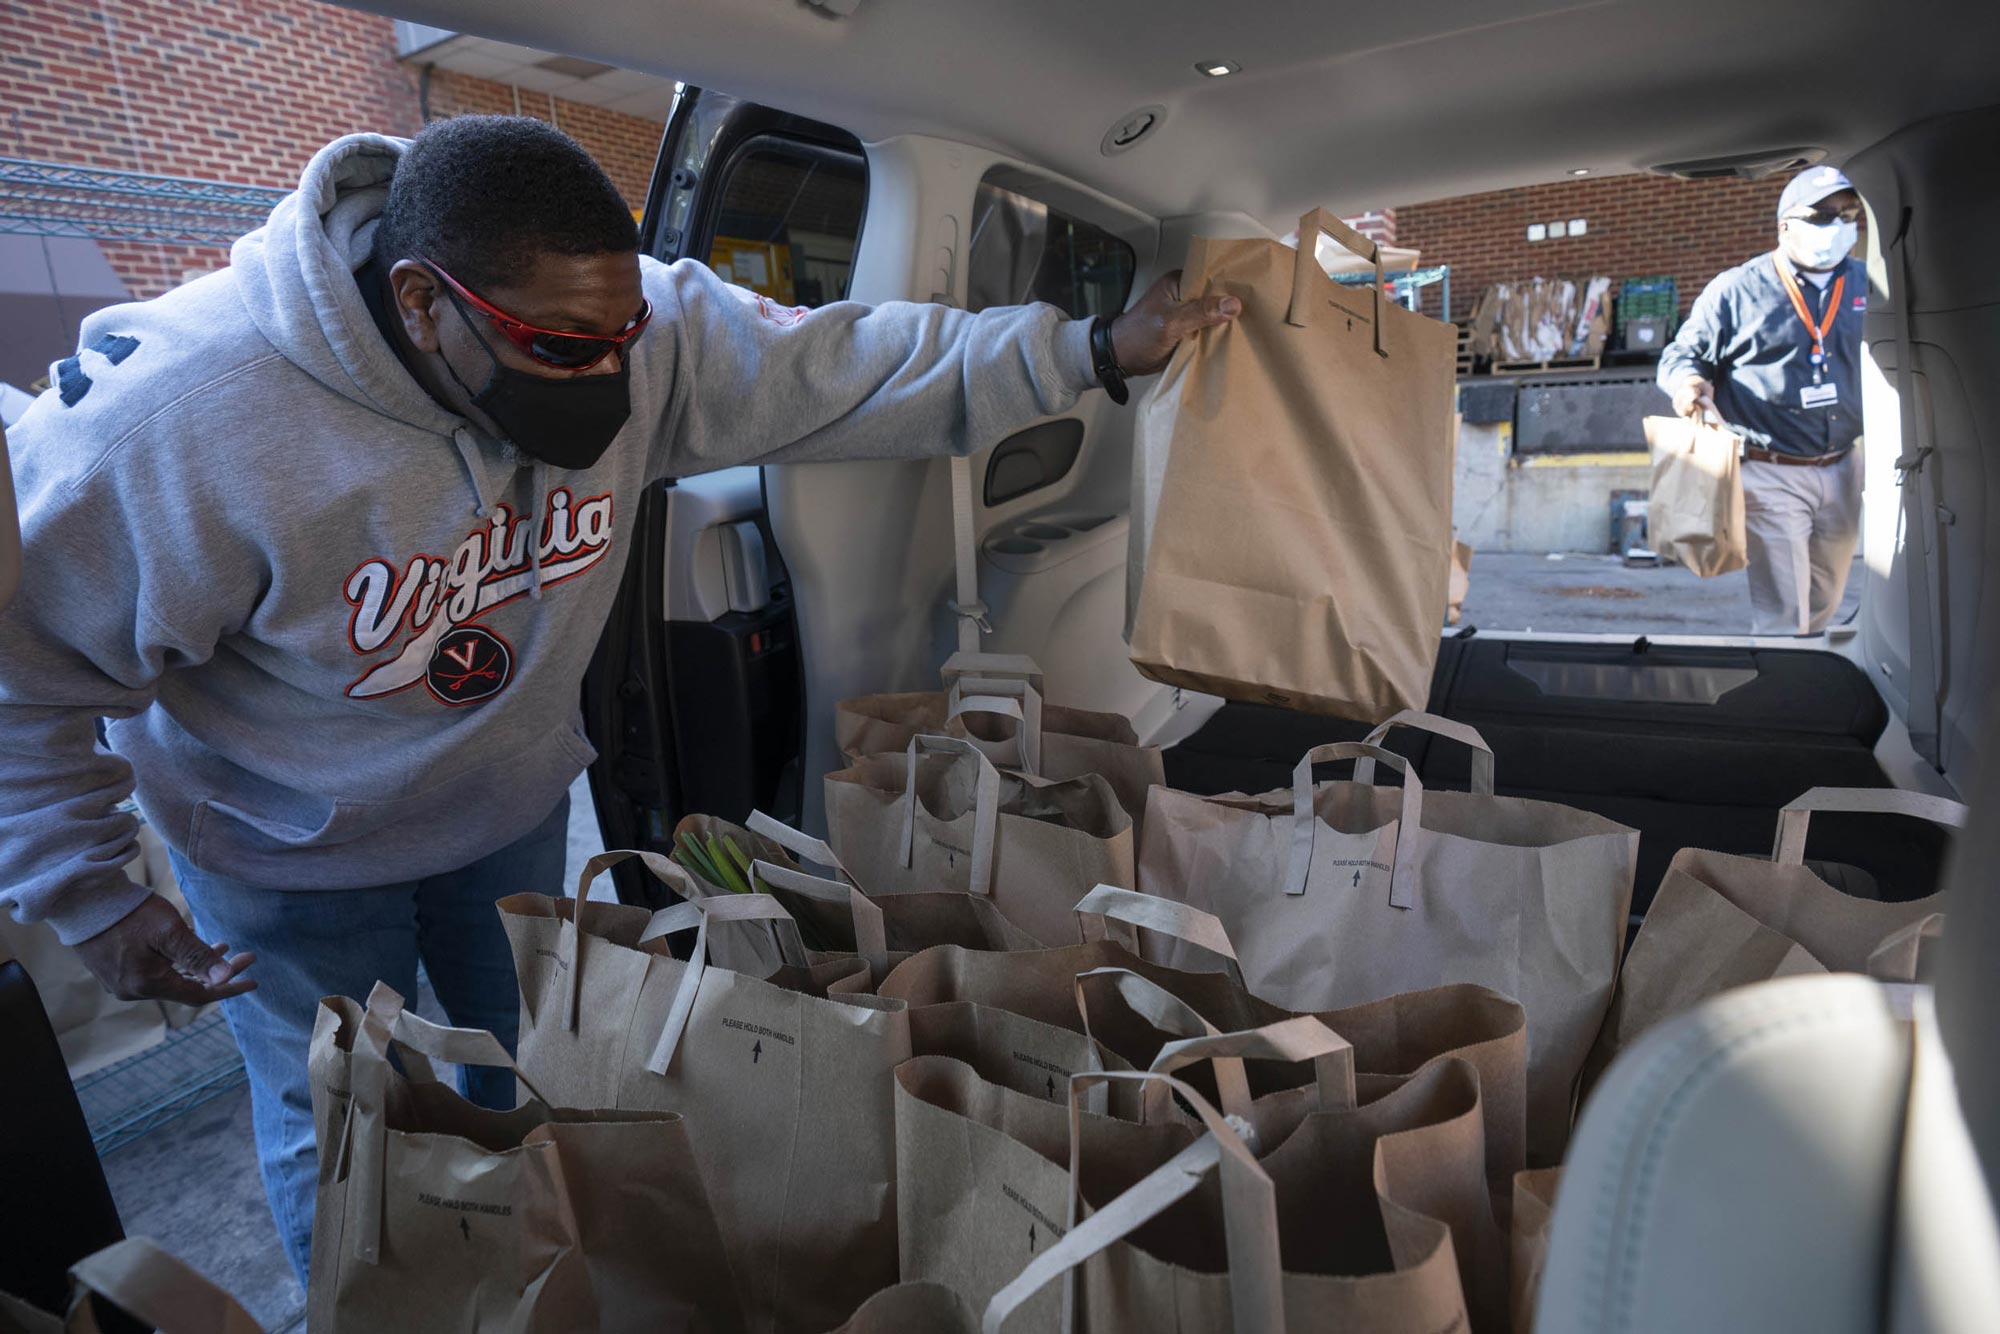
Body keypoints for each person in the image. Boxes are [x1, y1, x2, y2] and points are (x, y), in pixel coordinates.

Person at [0, 116, 1239, 1282]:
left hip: (506, 807)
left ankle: (525, 1280)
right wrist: (92, 893)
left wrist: (1083, 350)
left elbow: (849, 360)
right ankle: (374, 1301)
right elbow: (27, 668)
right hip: (285, 855)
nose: (606, 375)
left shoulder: (641, 331)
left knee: (533, 1068)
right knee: (338, 1119)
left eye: (621, 336)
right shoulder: (171, 425)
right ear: (425, 303)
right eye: (559, 348)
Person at [1659, 163, 1866, 635]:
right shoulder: (1737, 289)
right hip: (1771, 469)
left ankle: (1805, 671)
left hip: (1843, 465)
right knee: (1782, 608)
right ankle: (1785, 689)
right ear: (1785, 225)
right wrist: (1687, 382)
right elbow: (1681, 354)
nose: (1837, 226)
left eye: (1847, 214)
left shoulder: (1865, 282)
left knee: (1825, 596)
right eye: (1822, 216)